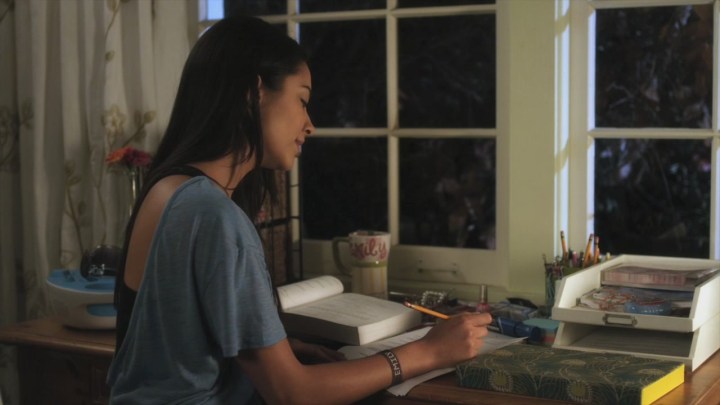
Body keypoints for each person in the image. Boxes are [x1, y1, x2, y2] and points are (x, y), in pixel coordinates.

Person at [106, 14, 493, 404]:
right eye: (302, 100)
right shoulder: (214, 215)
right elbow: (293, 394)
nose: (310, 125)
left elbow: (175, 338)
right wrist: (426, 352)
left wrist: (277, 347)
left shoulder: (166, 188)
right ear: (254, 93)